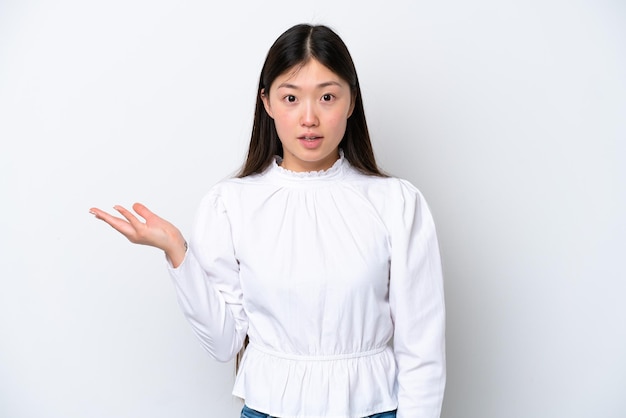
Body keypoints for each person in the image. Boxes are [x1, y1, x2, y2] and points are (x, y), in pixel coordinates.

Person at [90, 23, 445, 418]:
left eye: (327, 96)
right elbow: (225, 343)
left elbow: (422, 351)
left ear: (351, 101)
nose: (309, 117)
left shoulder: (396, 202)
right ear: (268, 102)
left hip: (375, 409)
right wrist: (177, 250)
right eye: (291, 97)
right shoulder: (230, 204)